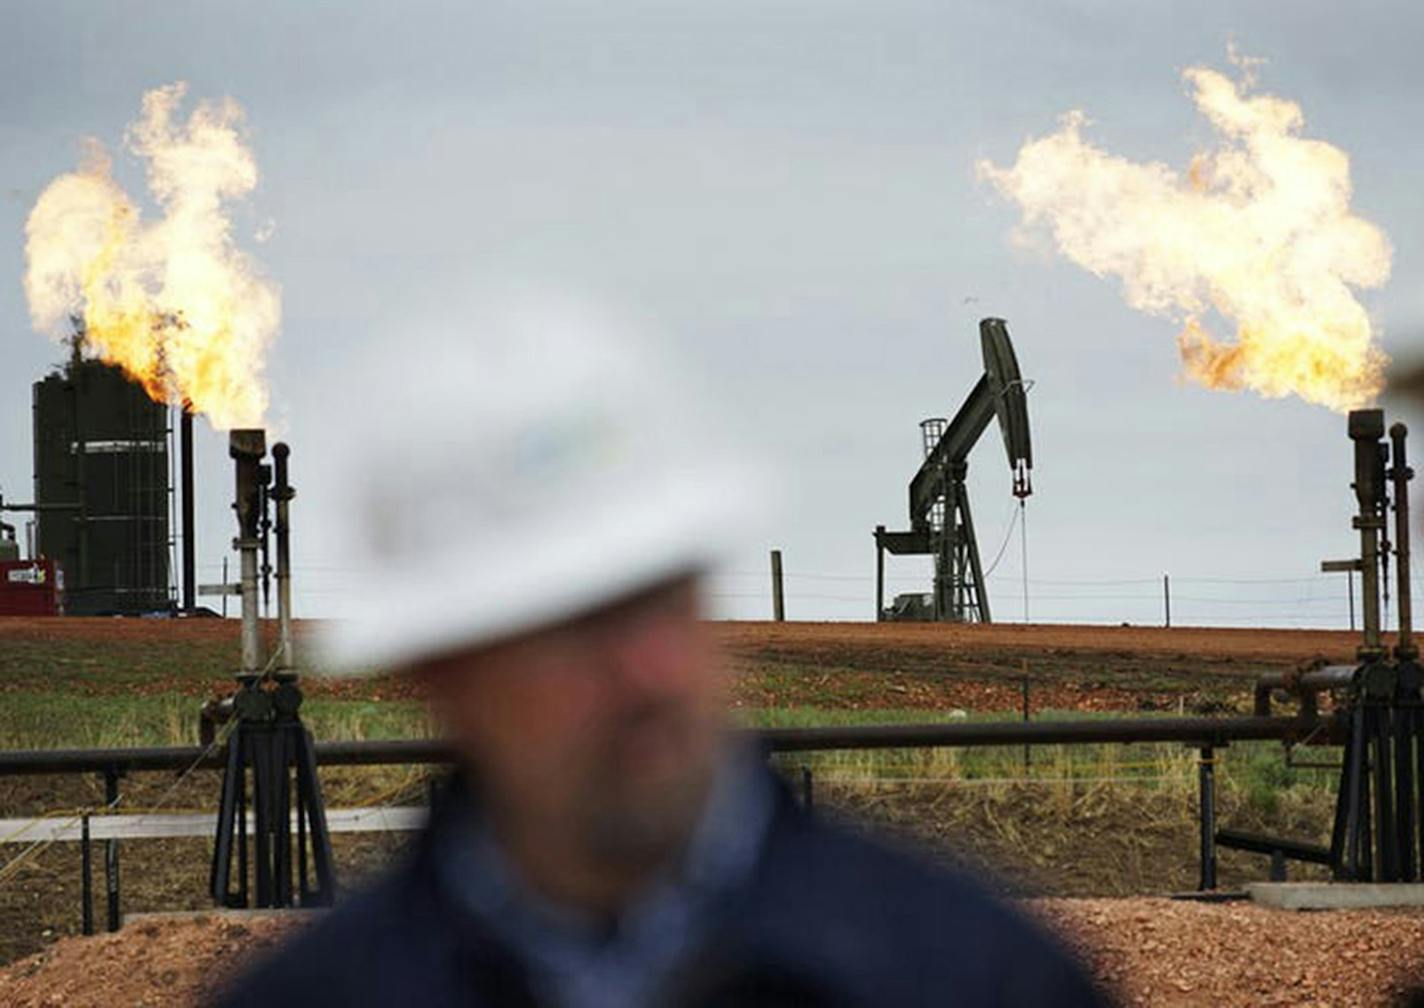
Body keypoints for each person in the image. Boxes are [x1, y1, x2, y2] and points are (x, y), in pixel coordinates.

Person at [217, 303, 1106, 1007]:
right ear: (437, 669)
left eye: (661, 597)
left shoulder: (985, 977)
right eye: (570, 624)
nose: (649, 673)